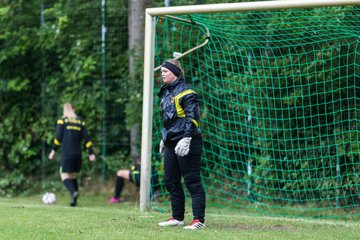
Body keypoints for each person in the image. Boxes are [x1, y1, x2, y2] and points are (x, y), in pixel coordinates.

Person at [157, 59, 206, 230]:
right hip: (171, 141)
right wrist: (165, 138)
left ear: (175, 73)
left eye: (165, 71)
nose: (162, 74)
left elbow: (192, 117)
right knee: (170, 180)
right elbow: (169, 119)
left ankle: (198, 220)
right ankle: (178, 217)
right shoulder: (166, 92)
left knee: (192, 180)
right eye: (161, 71)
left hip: (187, 141)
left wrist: (187, 138)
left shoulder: (187, 92)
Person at [48, 103, 95, 207]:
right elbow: (86, 138)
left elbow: (58, 138)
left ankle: (74, 192)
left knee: (63, 174)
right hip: (78, 154)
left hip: (67, 153)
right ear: (74, 110)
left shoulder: (62, 120)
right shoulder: (80, 122)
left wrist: (53, 151)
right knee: (72, 175)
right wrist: (91, 152)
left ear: (64, 110)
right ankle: (74, 201)